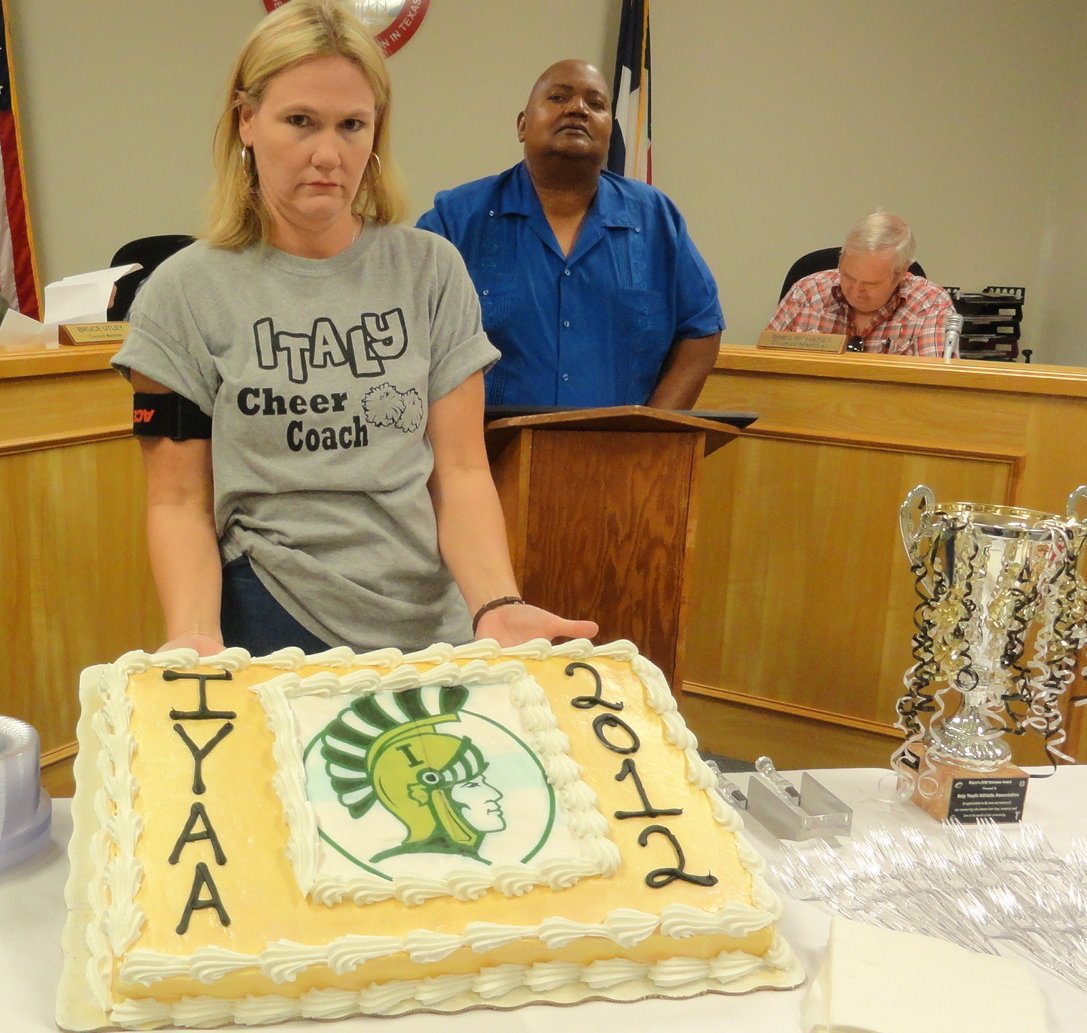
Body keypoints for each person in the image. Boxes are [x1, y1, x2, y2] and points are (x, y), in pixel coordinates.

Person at [112, 0, 596, 658]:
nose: (328, 154)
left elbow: (458, 470)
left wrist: (498, 602)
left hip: (432, 617)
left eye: (351, 125)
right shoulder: (183, 292)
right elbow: (177, 502)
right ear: (247, 121)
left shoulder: (430, 270)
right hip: (274, 610)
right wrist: (195, 635)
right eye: (300, 121)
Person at [416, 59, 723, 410]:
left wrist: (651, 432)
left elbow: (701, 330)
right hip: (486, 457)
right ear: (522, 124)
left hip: (622, 457)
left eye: (595, 104)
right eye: (559, 98)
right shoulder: (456, 219)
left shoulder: (655, 219)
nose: (578, 109)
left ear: (610, 130)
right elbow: (404, 327)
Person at [767, 211, 956, 357]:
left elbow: (935, 388)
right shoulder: (807, 294)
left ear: (901, 274)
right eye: (848, 277)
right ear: (841, 261)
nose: (856, 291)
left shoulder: (930, 304)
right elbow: (763, 365)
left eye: (870, 284)